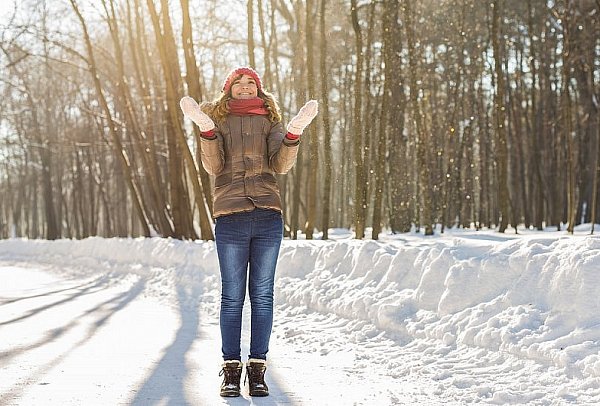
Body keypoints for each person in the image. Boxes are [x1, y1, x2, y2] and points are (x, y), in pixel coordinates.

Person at [179, 66, 318, 397]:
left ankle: (257, 370)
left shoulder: (270, 120)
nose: (245, 86)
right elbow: (214, 167)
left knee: (263, 295)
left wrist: (293, 133)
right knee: (231, 297)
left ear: (258, 89)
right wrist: (207, 130)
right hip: (230, 216)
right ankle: (230, 370)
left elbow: (280, 165)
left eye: (251, 82)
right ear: (229, 89)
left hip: (268, 215)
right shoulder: (218, 119)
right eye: (239, 82)